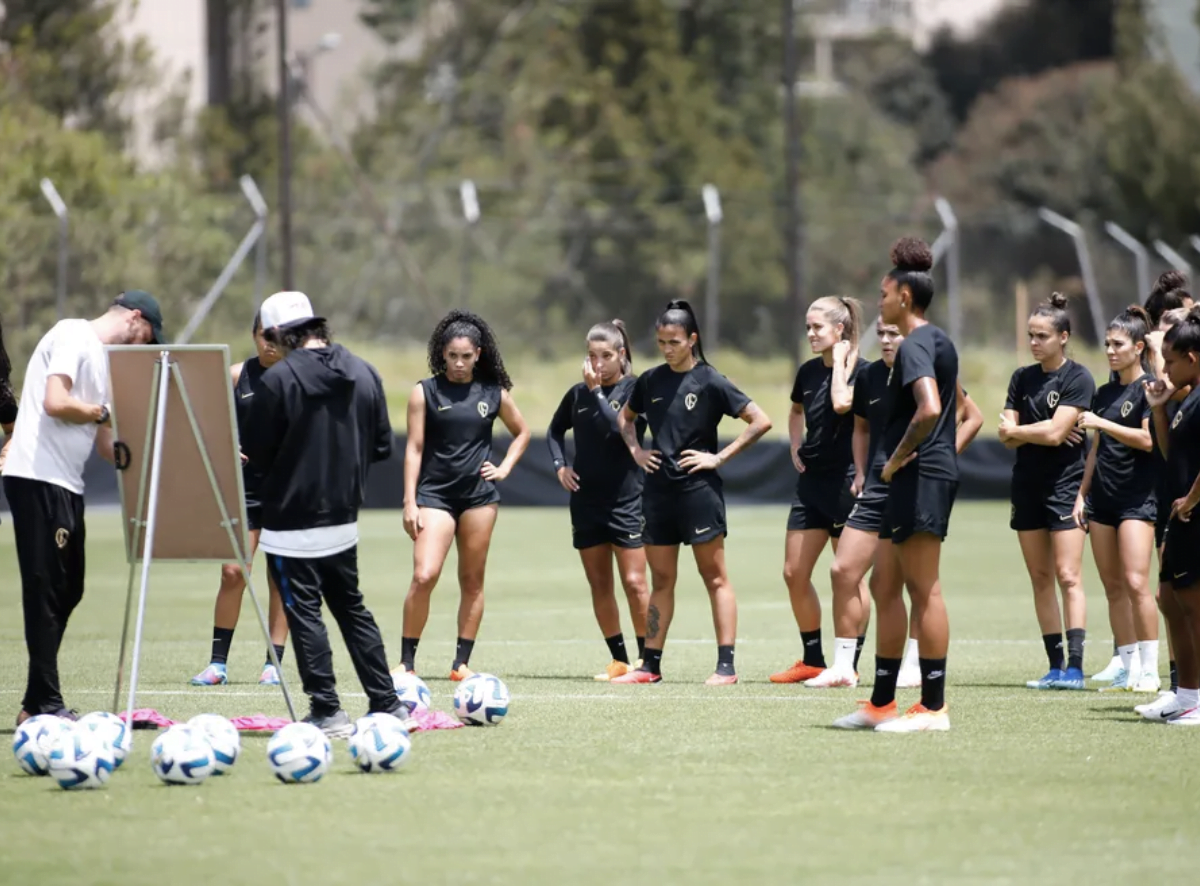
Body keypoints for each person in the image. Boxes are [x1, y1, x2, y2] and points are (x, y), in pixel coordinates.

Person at [243, 291, 403, 737]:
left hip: (290, 520)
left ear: (277, 336)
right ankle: (388, 704)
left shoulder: (276, 381)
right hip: (344, 516)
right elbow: (382, 446)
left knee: (304, 612)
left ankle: (327, 709)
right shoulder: (364, 371)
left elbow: (255, 452)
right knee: (351, 608)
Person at [2, 291, 164, 726]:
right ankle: (44, 704)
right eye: (148, 337)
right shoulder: (74, 334)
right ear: (135, 318)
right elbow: (58, 401)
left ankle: (36, 701)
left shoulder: (105, 364)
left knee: (69, 588)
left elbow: (107, 444)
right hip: (37, 476)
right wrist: (104, 412)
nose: (145, 347)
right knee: (46, 591)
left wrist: (143, 452)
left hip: (66, 485)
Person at [832, 237, 959, 733]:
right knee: (884, 584)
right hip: (903, 478)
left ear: (905, 298)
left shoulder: (918, 344)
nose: (879, 301)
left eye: (884, 294)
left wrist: (899, 456)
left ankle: (932, 707)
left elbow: (929, 409)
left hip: (921, 474)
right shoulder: (928, 340)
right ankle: (881, 702)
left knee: (924, 589)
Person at [611, 299, 773, 685]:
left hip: (699, 493)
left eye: (674, 341)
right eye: (661, 341)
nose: (667, 348)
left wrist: (718, 458)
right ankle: (650, 666)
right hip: (657, 494)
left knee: (715, 578)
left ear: (692, 340)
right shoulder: (649, 380)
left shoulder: (711, 380)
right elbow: (625, 417)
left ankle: (726, 667)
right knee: (662, 581)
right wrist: (636, 451)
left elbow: (760, 420)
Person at [829, 318, 983, 691]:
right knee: (844, 571)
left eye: (892, 333)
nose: (884, 340)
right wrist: (863, 472)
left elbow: (971, 417)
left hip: (913, 481)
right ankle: (844, 667)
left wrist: (941, 454)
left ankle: (915, 665)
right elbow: (861, 427)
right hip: (880, 484)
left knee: (911, 581)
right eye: (880, 333)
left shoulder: (924, 370)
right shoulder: (868, 377)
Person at [392, 310, 531, 681]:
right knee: (424, 575)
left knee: (472, 581)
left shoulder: (493, 393)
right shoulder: (425, 391)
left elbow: (522, 432)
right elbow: (414, 450)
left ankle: (460, 664)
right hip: (434, 496)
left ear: (478, 355)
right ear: (442, 354)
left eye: (466, 356)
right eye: (452, 355)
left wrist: (503, 469)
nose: (458, 363)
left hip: (479, 499)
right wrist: (409, 501)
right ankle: (406, 662)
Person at [769, 296, 869, 687]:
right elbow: (796, 411)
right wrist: (795, 444)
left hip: (848, 482)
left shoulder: (864, 371)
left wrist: (843, 364)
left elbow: (842, 406)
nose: (810, 333)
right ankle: (812, 660)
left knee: (851, 576)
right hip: (811, 483)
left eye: (818, 327)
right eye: (808, 327)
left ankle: (849, 663)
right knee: (794, 572)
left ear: (839, 331)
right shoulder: (808, 372)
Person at [999, 292, 1095, 691]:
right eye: (1031, 336)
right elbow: (1006, 435)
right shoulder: (1021, 378)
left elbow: (1055, 433)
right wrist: (1037, 432)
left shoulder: (1078, 377)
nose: (1034, 343)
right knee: (1039, 577)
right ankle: (1054, 666)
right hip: (1027, 487)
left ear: (1063, 337)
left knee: (1068, 575)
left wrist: (1024, 432)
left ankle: (1075, 667)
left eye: (1042, 336)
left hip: (1065, 485)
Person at [190, 311, 290, 686]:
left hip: (286, 491)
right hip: (243, 490)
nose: (270, 343)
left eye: (278, 337)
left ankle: (273, 664)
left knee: (282, 577)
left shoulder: (299, 378)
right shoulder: (235, 376)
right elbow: (202, 419)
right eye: (265, 335)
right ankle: (217, 664)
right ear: (253, 334)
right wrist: (224, 443)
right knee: (233, 572)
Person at [547, 320, 650, 681]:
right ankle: (619, 660)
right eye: (592, 356)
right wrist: (560, 465)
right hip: (586, 502)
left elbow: (620, 429)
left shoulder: (635, 389)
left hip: (628, 501)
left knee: (636, 583)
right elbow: (554, 430)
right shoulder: (578, 393)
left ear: (621, 355)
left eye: (606, 356)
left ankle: (647, 660)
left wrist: (596, 393)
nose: (599, 363)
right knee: (600, 585)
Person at [1072, 307, 1159, 693]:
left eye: (1117, 344)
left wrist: (1103, 422)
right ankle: (1128, 667)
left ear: (1138, 347)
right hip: (1102, 499)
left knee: (1137, 582)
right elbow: (1095, 451)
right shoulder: (1103, 392)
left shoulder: (1149, 389)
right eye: (1107, 343)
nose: (1109, 350)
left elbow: (1147, 440)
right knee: (1112, 586)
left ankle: (1151, 669)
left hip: (1137, 499)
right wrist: (1081, 494)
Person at [1141, 306, 1200, 725]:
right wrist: (1160, 408)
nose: (1166, 368)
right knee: (1169, 600)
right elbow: (1168, 454)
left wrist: (1194, 498)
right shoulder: (1187, 397)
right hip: (1178, 513)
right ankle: (1186, 693)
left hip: (1193, 512)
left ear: (1193, 357)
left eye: (1172, 360)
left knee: (1195, 606)